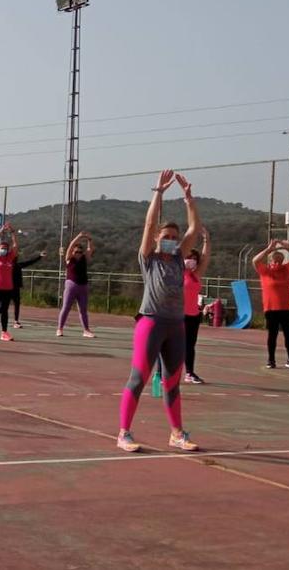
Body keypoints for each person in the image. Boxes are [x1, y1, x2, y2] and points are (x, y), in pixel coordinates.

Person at [117, 170, 201, 453]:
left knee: (173, 383)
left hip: (176, 325)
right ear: (156, 238)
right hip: (151, 323)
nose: (171, 239)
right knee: (138, 379)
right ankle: (124, 433)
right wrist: (159, 192)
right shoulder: (149, 259)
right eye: (166, 236)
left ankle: (177, 433)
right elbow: (150, 221)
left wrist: (189, 200)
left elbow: (195, 231)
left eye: (174, 237)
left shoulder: (179, 259)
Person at [252, 238, 289, 370]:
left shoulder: (286, 270)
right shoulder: (265, 272)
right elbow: (255, 261)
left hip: (287, 308)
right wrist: (268, 250)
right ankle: (271, 360)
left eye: (280, 260)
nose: (278, 262)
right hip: (271, 309)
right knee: (272, 335)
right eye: (275, 259)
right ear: (270, 261)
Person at [182, 230, 211, 383]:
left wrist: (206, 240)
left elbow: (205, 258)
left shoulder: (195, 275)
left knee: (189, 345)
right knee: (169, 345)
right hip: (176, 315)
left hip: (193, 315)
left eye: (194, 258)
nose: (191, 260)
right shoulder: (176, 272)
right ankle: (161, 373)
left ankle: (189, 373)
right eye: (188, 257)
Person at [56, 232, 96, 337]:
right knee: (66, 307)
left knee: (83, 310)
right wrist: (79, 237)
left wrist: (89, 239)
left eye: (80, 252)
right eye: (76, 251)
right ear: (73, 252)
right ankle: (60, 328)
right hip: (71, 285)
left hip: (83, 286)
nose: (78, 253)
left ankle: (86, 330)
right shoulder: (69, 259)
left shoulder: (84, 258)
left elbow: (90, 250)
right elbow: (70, 246)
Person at [11, 246, 47, 328]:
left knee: (17, 304)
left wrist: (40, 256)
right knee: (2, 305)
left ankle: (16, 321)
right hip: (7, 287)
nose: (15, 258)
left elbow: (30, 262)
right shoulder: (7, 266)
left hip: (16, 288)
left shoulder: (19, 265)